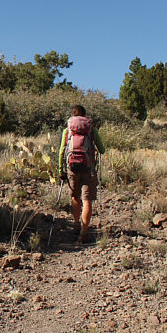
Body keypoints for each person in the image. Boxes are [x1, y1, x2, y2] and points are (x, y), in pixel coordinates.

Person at [58, 104, 105, 243]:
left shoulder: (67, 130)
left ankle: (76, 223)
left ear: (72, 115)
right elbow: (102, 150)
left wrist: (61, 170)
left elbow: (61, 151)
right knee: (87, 200)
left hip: (72, 168)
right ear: (84, 115)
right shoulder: (91, 129)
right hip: (88, 169)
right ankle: (84, 232)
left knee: (75, 196)